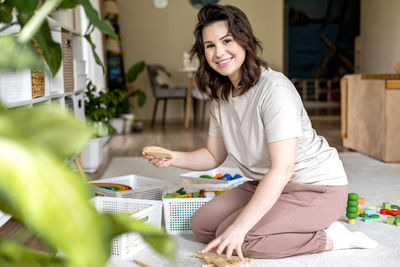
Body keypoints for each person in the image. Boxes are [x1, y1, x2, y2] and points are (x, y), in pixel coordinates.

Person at [143, 3, 378, 261]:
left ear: (244, 41)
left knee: (245, 239)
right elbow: (213, 155)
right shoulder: (221, 96)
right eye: (210, 45)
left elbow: (282, 169)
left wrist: (240, 227)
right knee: (203, 226)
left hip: (315, 188)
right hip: (264, 184)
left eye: (227, 40)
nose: (218, 52)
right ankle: (276, 223)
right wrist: (172, 157)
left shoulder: (274, 90)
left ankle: (331, 238)